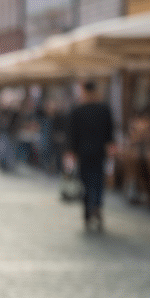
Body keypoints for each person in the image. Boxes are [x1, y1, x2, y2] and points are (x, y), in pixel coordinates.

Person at [66, 80, 117, 232]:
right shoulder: (104, 110)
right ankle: (96, 207)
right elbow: (110, 134)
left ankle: (89, 211)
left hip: (83, 153)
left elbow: (72, 136)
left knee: (86, 181)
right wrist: (111, 152)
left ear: (84, 92)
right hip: (99, 152)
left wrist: (71, 154)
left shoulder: (77, 111)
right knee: (98, 181)